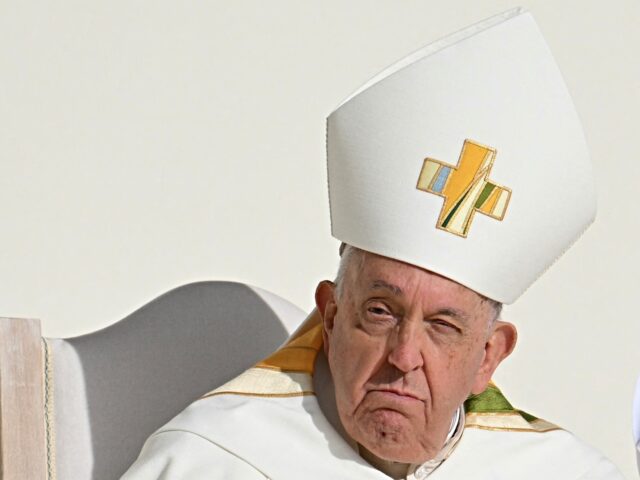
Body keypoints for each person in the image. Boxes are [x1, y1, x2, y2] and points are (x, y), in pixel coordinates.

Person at [122, 7, 625, 479]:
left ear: (489, 357)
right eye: (382, 311)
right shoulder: (211, 459)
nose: (404, 356)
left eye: (444, 326)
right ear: (332, 316)